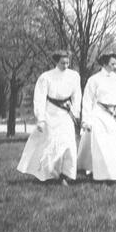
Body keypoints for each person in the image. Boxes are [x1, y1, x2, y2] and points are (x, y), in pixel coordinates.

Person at [17, 50, 81, 186]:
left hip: (66, 115)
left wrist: (75, 113)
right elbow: (39, 99)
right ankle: (51, 174)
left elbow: (77, 95)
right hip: (50, 114)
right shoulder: (46, 77)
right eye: (63, 62)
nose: (66, 65)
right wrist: (40, 119)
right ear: (56, 62)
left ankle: (66, 174)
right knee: (51, 145)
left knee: (68, 144)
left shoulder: (74, 76)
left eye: (68, 62)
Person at [78, 53, 116, 182]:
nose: (115, 66)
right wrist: (85, 120)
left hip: (113, 116)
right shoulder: (94, 79)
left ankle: (114, 174)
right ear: (104, 64)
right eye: (112, 64)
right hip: (99, 114)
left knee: (113, 145)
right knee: (101, 145)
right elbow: (87, 100)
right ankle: (101, 175)